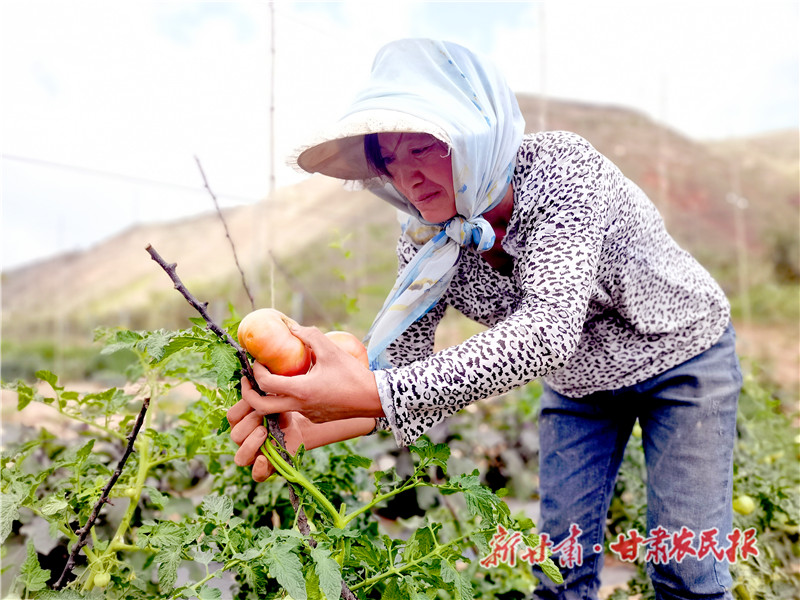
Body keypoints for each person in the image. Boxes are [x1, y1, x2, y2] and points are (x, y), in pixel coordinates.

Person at [226, 39, 742, 600]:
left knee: (687, 570)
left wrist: (374, 392)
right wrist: (313, 424)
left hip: (683, 357)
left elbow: (547, 330)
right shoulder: (427, 237)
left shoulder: (564, 171)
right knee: (559, 569)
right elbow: (404, 376)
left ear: (474, 134)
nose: (409, 177)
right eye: (390, 160)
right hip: (580, 387)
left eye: (424, 148)